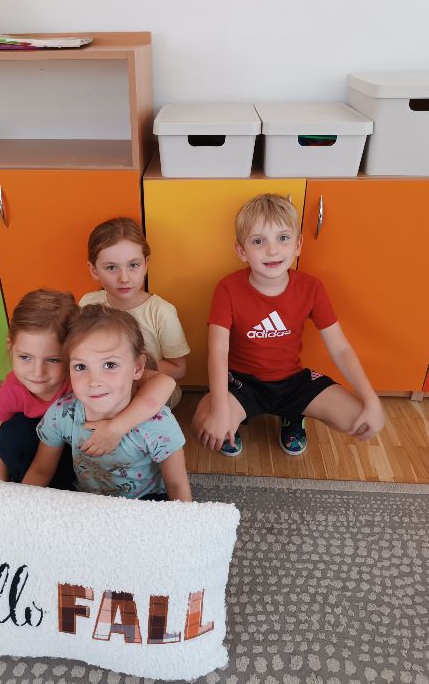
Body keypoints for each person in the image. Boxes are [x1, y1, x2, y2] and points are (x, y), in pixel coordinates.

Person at [193, 193, 385, 457]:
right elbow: (218, 351)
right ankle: (230, 419)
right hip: (242, 382)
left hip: (292, 381)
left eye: (283, 238)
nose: (272, 250)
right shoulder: (228, 288)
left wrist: (371, 400)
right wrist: (220, 410)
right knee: (204, 424)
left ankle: (292, 415)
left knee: (359, 417)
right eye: (258, 241)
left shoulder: (311, 288)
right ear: (241, 250)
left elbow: (340, 349)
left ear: (298, 245)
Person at [0, 289, 176, 487]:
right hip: (51, 450)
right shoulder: (12, 390)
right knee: (10, 436)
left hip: (90, 448)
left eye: (53, 360)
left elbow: (165, 382)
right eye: (25, 357)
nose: (37, 373)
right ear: (11, 346)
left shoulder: (86, 376)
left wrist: (117, 428)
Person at [22, 304, 192, 502]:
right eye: (81, 366)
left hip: (146, 502)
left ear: (137, 367)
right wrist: (19, 508)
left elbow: (177, 486)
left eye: (110, 365)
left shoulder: (158, 424)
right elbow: (41, 471)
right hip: (87, 500)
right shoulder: (62, 413)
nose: (94, 381)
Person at [79, 217, 190, 409]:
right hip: (102, 385)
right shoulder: (87, 304)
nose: (124, 278)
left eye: (133, 265)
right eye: (111, 267)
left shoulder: (161, 312)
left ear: (146, 264)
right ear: (94, 270)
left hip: (149, 386)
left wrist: (130, 367)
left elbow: (179, 369)